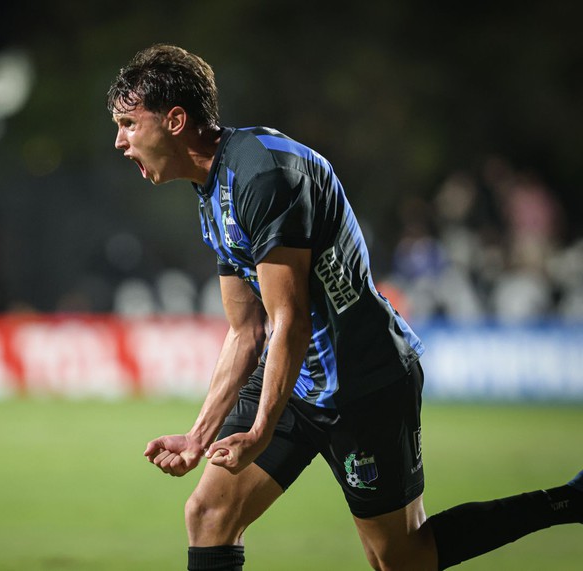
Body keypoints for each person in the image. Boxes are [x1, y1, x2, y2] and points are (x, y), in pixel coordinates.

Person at [106, 44, 582, 571]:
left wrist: (259, 434)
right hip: (298, 381)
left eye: (129, 124)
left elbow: (289, 319)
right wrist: (198, 438)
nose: (120, 142)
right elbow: (246, 330)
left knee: (402, 559)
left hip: (364, 382)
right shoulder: (212, 188)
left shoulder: (262, 174)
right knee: (209, 513)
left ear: (175, 121)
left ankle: (569, 501)